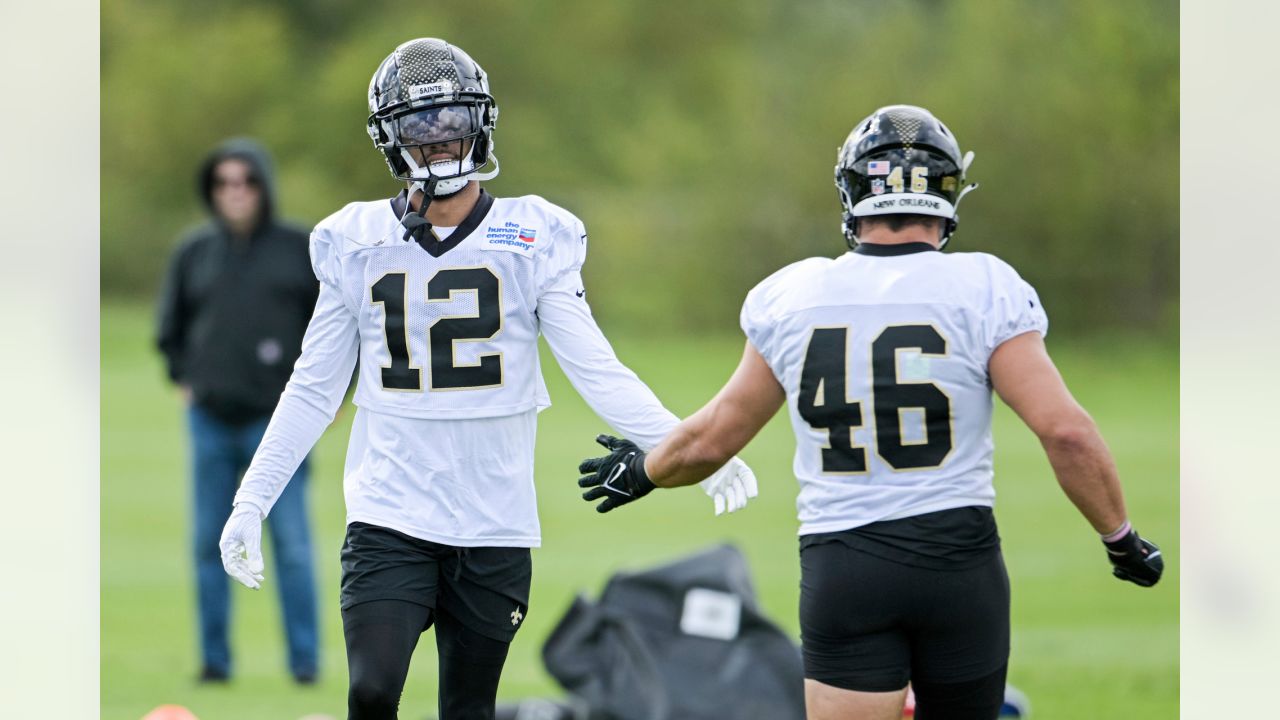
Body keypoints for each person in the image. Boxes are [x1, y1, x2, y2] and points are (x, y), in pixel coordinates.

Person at [215, 38, 757, 720]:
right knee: (372, 690)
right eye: (420, 125)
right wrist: (251, 500)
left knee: (467, 709)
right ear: (391, 138)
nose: (440, 141)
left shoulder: (534, 236)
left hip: (494, 519)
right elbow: (313, 387)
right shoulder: (354, 242)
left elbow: (597, 370)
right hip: (390, 510)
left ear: (481, 123)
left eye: (452, 121)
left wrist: (694, 450)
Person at [576, 105, 1165, 720]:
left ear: (853, 193)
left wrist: (644, 468)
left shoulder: (794, 294)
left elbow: (712, 438)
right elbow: (1065, 432)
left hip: (845, 565)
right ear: (947, 194)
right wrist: (1120, 538)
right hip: (957, 562)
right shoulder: (985, 287)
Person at [155, 138, 321, 684]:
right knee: (208, 541)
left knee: (292, 544)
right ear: (212, 189)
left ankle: (304, 663)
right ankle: (215, 663)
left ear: (263, 185)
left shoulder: (300, 249)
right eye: (224, 183)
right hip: (210, 421)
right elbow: (169, 330)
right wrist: (185, 380)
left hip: (278, 424)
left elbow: (333, 332)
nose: (236, 192)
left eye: (246, 181)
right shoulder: (194, 252)